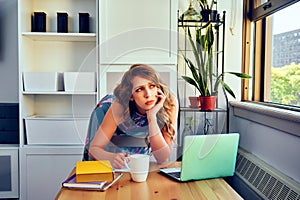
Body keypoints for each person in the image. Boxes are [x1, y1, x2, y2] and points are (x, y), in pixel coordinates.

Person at [83, 64, 178, 169]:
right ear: (131, 95)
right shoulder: (119, 107)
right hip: (111, 112)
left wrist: (152, 118)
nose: (148, 94)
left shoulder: (169, 103)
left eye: (152, 86)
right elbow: (94, 149)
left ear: (158, 87)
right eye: (139, 89)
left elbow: (162, 158)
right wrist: (110, 157)